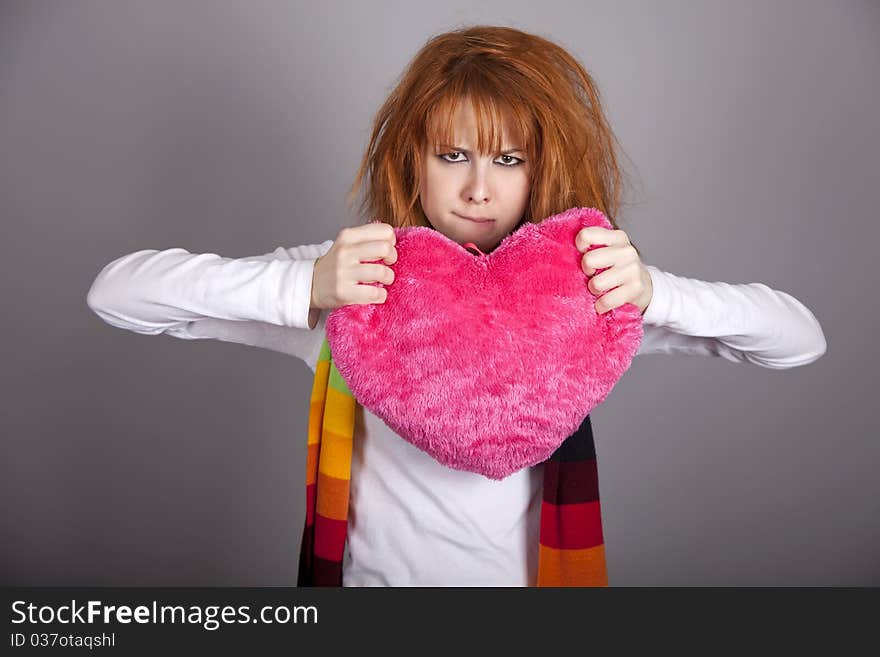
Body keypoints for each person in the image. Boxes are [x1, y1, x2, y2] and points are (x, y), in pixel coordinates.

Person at [86, 25, 827, 586]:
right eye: (453, 155)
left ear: (546, 166)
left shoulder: (587, 296)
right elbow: (118, 293)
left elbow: (799, 338)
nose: (479, 188)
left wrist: (653, 291)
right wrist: (306, 287)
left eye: (509, 159)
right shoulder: (357, 286)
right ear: (412, 157)